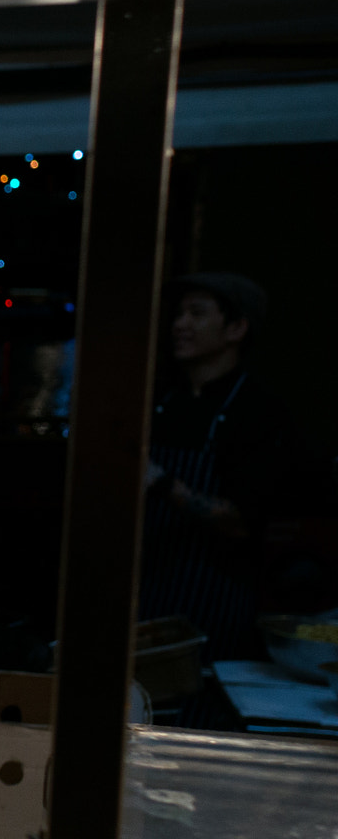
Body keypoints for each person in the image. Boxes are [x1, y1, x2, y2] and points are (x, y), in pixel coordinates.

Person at [140, 272, 302, 662]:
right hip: (145, 592)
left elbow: (241, 521)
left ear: (236, 328)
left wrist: (160, 482)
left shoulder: (257, 411)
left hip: (215, 604)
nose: (180, 325)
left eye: (196, 314)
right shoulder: (159, 399)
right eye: (178, 314)